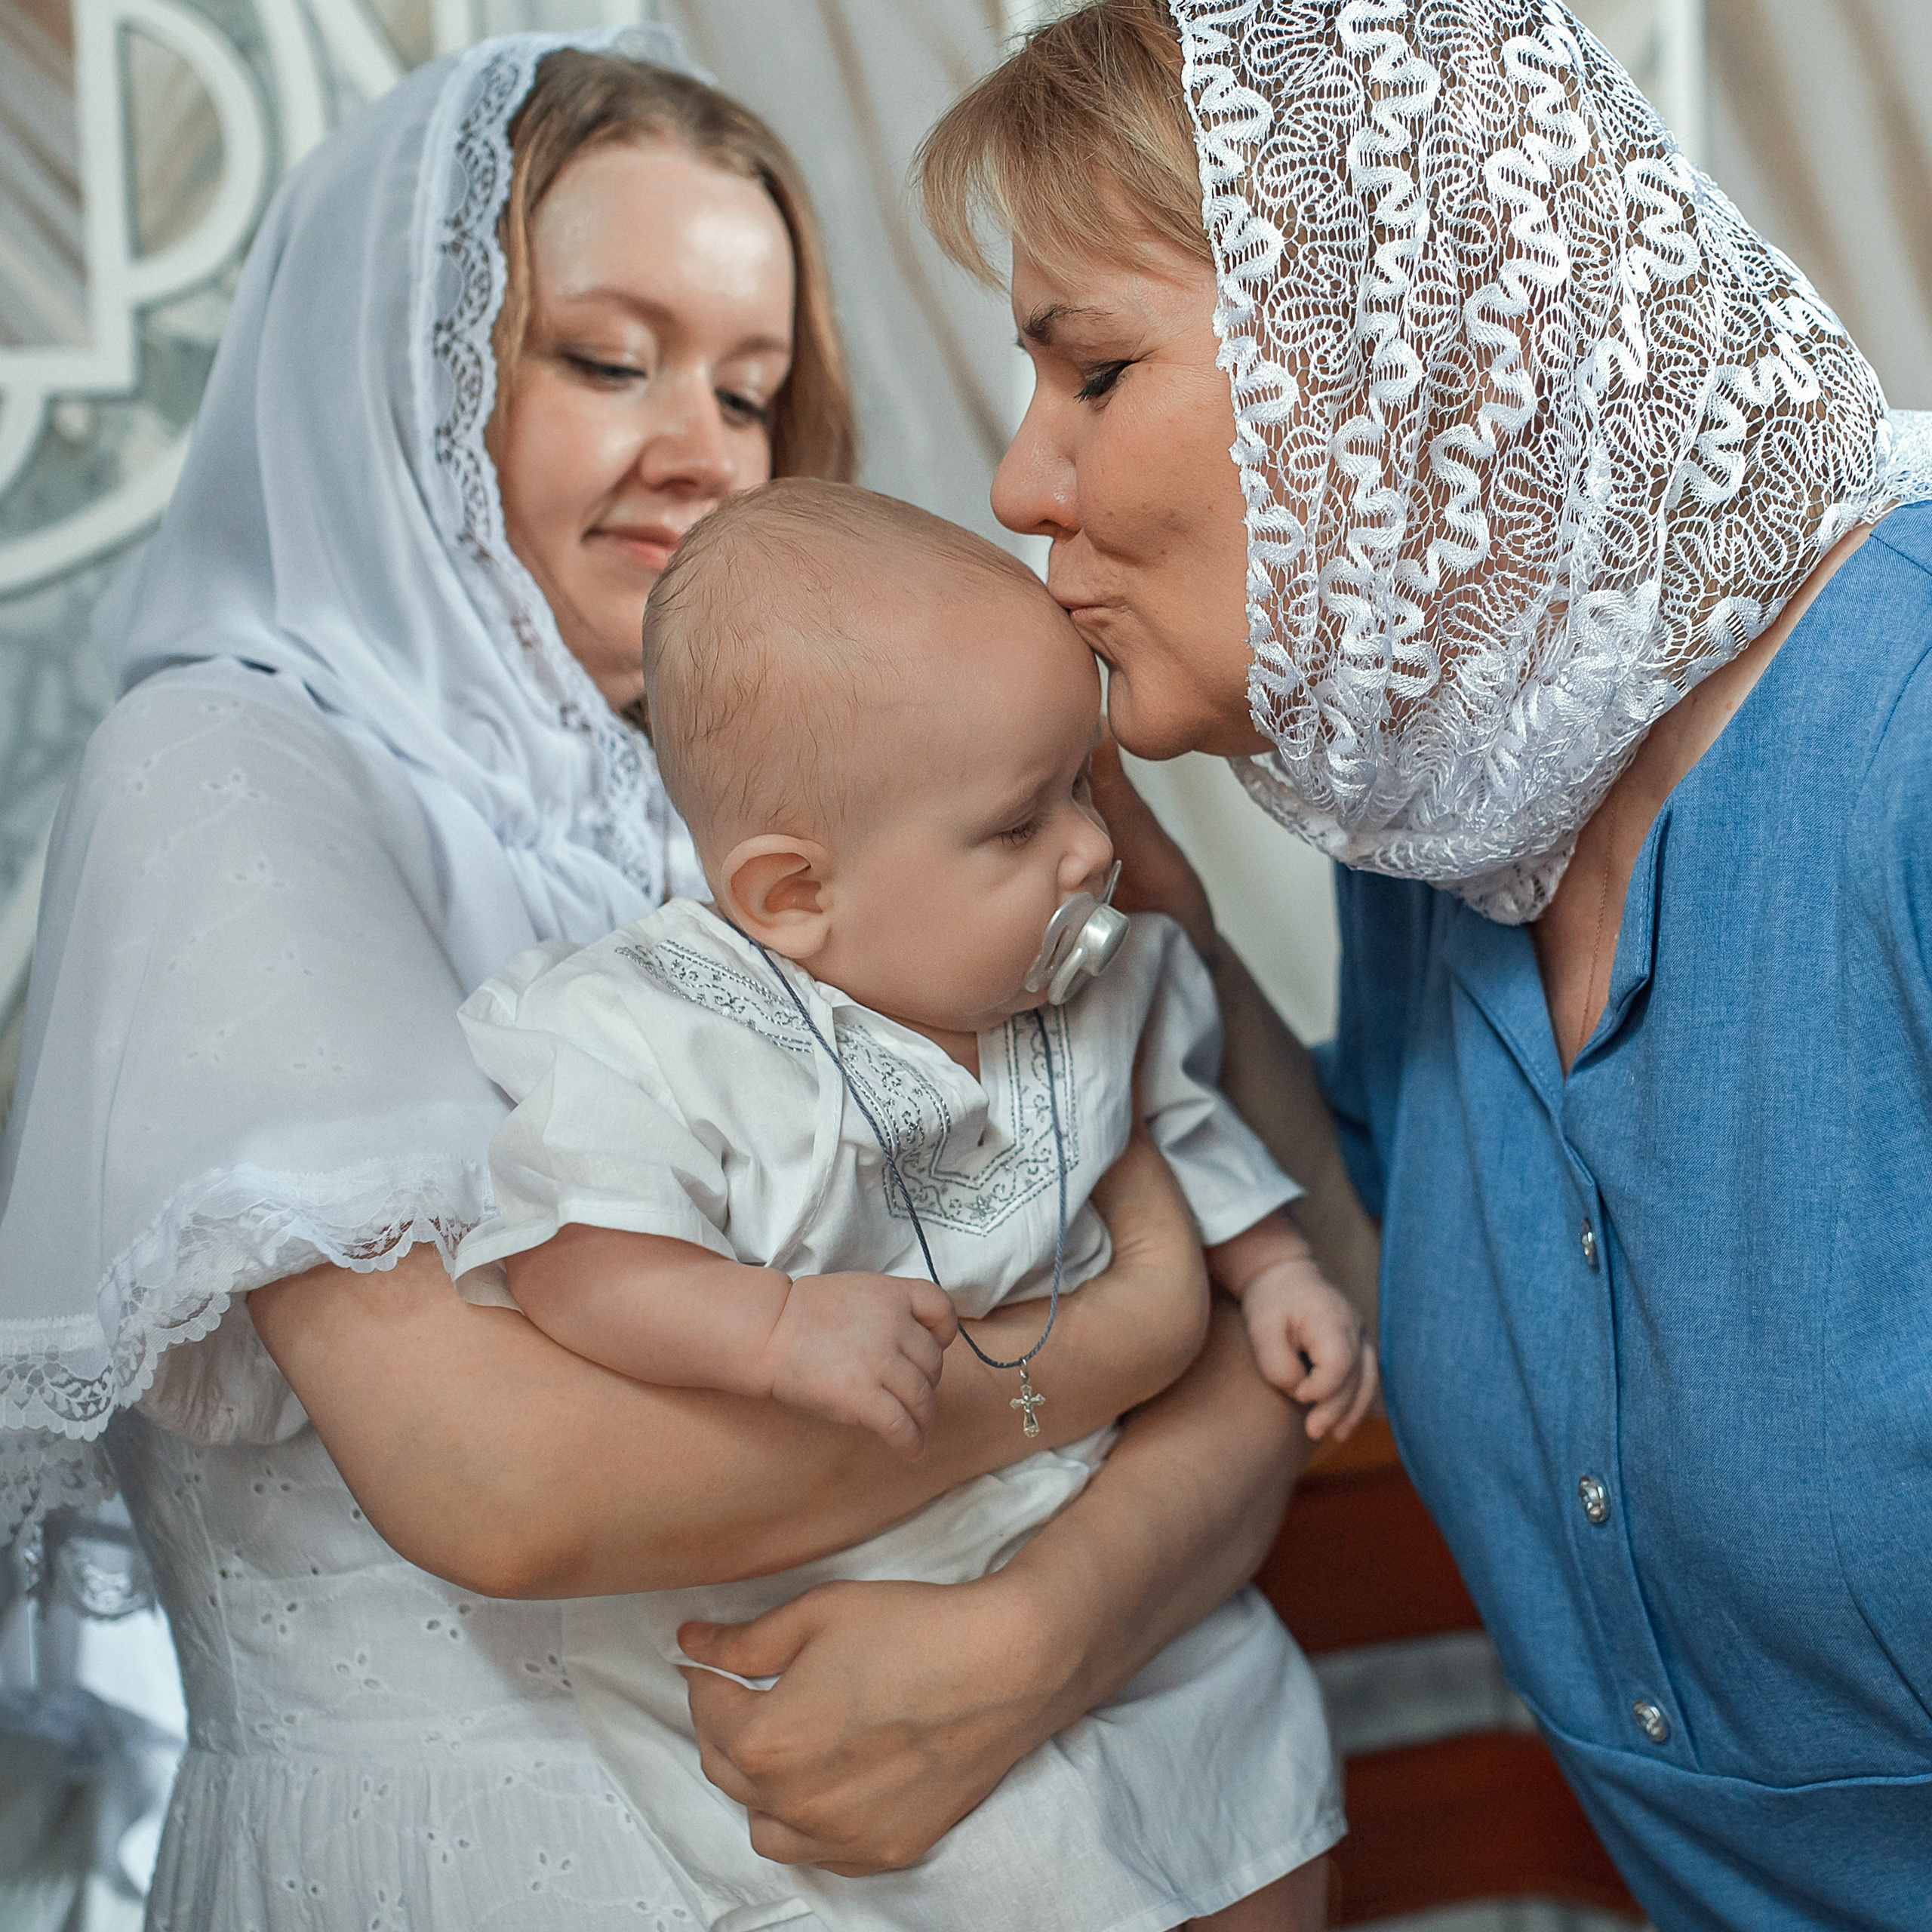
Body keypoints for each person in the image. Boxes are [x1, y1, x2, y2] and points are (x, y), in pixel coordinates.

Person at [0, 24, 1358, 1930]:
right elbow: (503, 1482)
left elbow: (1304, 1282)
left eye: (752, 384)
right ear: (397, 375)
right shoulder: (230, 772)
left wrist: (1043, 1622)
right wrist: (1118, 1339)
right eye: (602, 356)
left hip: (980, 1815)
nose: (697, 451)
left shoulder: (832, 783)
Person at [919, 2, 1932, 1927]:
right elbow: (1392, 1254)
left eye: (1093, 371)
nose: (1016, 481)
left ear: (1408, 357)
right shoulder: (1464, 817)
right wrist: (1167, 945)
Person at [448, 478, 1374, 1931]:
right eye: (1021, 825)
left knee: (1245, 1755)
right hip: (842, 1553)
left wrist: (1276, 1274)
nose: (1087, 847)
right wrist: (768, 1331)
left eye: (1083, 785)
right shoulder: (661, 1036)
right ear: (794, 893)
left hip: (1082, 1510)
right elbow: (577, 1257)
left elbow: (1180, 1126)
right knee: (973, 1867)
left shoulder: (1092, 987)